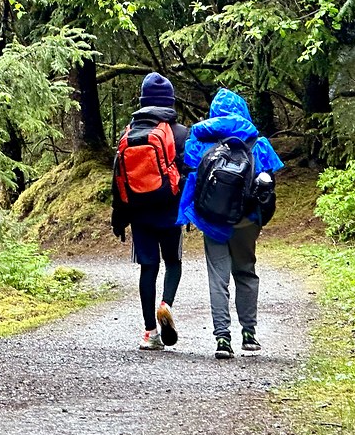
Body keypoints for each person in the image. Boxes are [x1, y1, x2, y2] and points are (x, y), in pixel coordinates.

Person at [177, 88, 283, 359]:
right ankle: (249, 335)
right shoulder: (257, 142)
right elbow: (269, 183)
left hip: (211, 219)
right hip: (246, 220)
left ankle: (223, 339)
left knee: (218, 277)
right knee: (246, 273)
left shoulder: (198, 139)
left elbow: (189, 173)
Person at [111, 72, 188, 350]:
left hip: (138, 213)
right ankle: (166, 304)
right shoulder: (179, 133)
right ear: (170, 102)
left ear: (142, 102)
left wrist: (118, 218)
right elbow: (188, 171)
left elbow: (117, 178)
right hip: (170, 210)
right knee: (173, 262)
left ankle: (149, 333)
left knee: (148, 267)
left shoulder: (128, 134)